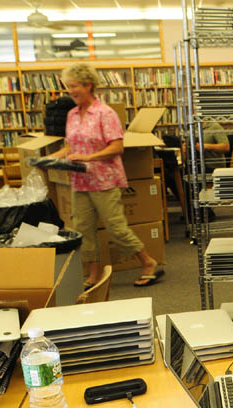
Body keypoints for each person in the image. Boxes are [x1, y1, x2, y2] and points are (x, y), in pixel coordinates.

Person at [46, 62, 162, 288]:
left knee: (116, 228)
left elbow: (117, 147)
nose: (70, 91)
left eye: (74, 86)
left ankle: (148, 262)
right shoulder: (71, 114)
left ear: (88, 85)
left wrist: (89, 158)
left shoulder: (104, 113)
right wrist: (52, 159)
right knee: (83, 230)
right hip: (80, 181)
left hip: (104, 180)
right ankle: (93, 274)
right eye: (68, 87)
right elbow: (70, 146)